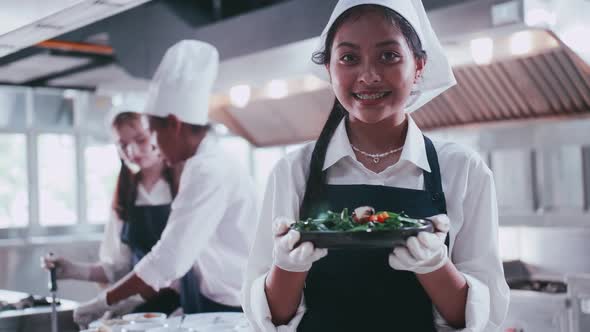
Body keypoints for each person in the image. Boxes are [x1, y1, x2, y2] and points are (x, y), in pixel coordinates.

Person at [243, 1, 510, 331]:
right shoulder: (292, 171)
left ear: (419, 65)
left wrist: (435, 265)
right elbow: (274, 318)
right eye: (349, 58)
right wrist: (287, 265)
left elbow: (479, 320)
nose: (368, 76)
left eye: (388, 56)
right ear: (329, 68)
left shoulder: (463, 170)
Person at [72, 40, 257, 328]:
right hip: (209, 298)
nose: (153, 147)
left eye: (152, 134)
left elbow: (169, 257)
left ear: (174, 124)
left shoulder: (208, 170)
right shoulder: (202, 164)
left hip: (233, 304)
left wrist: (104, 302)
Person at [41, 109, 183, 315]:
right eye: (123, 145)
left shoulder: (185, 185)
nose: (132, 151)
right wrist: (73, 269)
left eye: (140, 140)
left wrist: (128, 299)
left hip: (183, 306)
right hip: (143, 310)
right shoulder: (126, 195)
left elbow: (186, 262)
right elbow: (119, 268)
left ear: (155, 135)